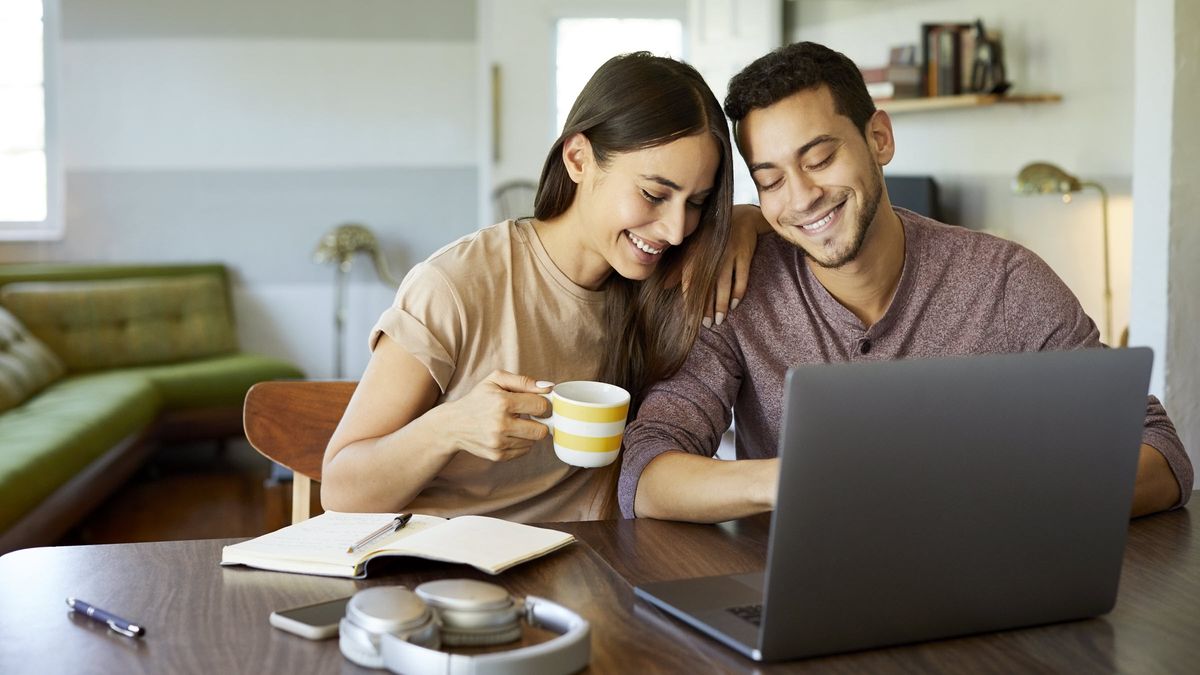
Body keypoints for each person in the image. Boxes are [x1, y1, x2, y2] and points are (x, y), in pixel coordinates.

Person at [618, 42, 1192, 523]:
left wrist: (1003, 499)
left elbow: (1160, 453)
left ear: (880, 140)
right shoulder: (737, 290)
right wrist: (790, 482)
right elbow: (646, 472)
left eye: (819, 159)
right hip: (806, 596)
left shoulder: (1005, 282)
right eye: (770, 180)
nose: (801, 197)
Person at [320, 52, 742, 522]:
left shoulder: (670, 281)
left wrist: (745, 222)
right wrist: (448, 428)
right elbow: (340, 489)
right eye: (653, 194)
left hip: (591, 572)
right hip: (449, 572)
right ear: (578, 159)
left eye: (697, 203)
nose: (677, 229)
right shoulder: (456, 284)